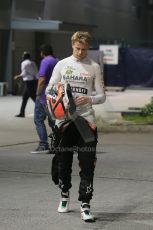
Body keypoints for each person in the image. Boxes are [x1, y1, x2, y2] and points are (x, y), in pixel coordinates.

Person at [45, 31, 106, 222]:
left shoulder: (94, 67)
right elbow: (49, 89)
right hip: (64, 122)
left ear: (88, 48)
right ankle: (64, 195)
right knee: (63, 163)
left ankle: (85, 205)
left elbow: (102, 96)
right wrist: (61, 96)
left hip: (86, 121)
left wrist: (89, 98)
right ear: (72, 45)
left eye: (84, 49)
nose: (80, 52)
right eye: (77, 48)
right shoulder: (62, 64)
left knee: (88, 164)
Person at [31, 44, 58, 154]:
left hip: (44, 96)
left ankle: (43, 144)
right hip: (55, 94)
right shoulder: (57, 61)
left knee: (38, 119)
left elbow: (42, 79)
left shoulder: (45, 61)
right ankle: (58, 143)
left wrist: (38, 94)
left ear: (42, 52)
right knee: (54, 121)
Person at [14, 52, 38, 117]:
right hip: (34, 81)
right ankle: (22, 112)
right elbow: (35, 72)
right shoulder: (32, 62)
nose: (22, 57)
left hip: (29, 82)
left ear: (24, 57)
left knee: (34, 98)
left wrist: (18, 76)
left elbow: (24, 72)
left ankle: (43, 111)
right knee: (25, 97)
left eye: (23, 56)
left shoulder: (24, 63)